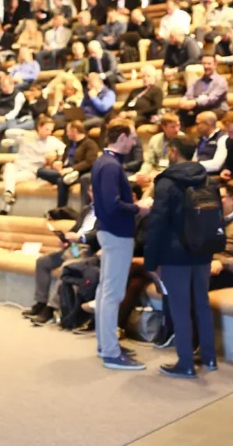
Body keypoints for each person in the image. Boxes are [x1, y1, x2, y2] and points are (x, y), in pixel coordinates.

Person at [143, 136, 218, 379]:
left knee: (180, 308)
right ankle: (209, 358)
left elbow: (157, 223)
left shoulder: (166, 182)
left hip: (175, 254)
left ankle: (185, 362)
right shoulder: (208, 179)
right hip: (203, 249)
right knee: (202, 304)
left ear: (174, 151)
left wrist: (150, 260)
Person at [91, 118, 149, 370]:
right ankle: (111, 353)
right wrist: (139, 207)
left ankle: (105, 344)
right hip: (117, 234)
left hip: (110, 233)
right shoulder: (111, 165)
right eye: (133, 137)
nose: (134, 142)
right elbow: (113, 205)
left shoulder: (104, 162)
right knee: (112, 294)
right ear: (122, 136)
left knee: (106, 291)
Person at [24, 185, 99, 324]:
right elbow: (76, 228)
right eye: (91, 191)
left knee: (67, 266)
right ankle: (40, 302)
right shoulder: (86, 210)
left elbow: (98, 234)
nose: (93, 194)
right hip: (74, 247)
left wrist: (80, 238)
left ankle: (51, 308)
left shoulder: (107, 211)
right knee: (42, 262)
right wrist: (66, 238)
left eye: (96, 190)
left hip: (89, 249)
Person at [0, 116, 65, 215]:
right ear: (39, 127)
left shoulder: (52, 141)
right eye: (47, 129)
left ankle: (5, 206)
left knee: (10, 178)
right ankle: (9, 194)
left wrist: (56, 154)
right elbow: (8, 132)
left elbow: (64, 149)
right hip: (18, 166)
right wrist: (25, 132)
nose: (49, 132)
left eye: (51, 130)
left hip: (31, 171)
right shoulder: (26, 136)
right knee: (9, 166)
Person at [39, 120, 101, 209]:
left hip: (78, 173)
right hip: (64, 172)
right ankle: (62, 178)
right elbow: (64, 160)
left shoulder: (90, 144)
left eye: (68, 131)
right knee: (41, 171)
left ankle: (61, 209)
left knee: (61, 181)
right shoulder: (70, 144)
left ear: (74, 131)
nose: (67, 134)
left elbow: (89, 162)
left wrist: (71, 169)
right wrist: (59, 164)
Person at [136, 113, 187, 188]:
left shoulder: (184, 139)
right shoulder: (155, 139)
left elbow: (184, 163)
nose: (177, 130)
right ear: (164, 127)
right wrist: (142, 173)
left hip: (175, 173)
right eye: (173, 127)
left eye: (178, 125)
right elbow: (149, 161)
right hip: (156, 171)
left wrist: (162, 174)